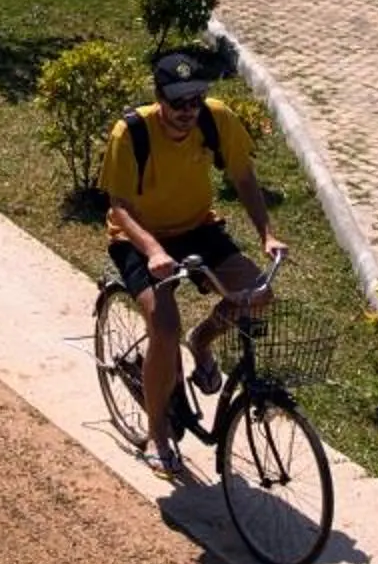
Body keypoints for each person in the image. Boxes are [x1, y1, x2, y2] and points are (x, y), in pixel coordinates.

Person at [101, 52, 288, 481]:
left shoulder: (215, 119)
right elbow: (121, 207)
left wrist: (266, 234)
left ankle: (201, 342)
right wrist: (152, 251)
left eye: (196, 99)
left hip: (196, 227)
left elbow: (242, 175)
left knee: (258, 296)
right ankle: (158, 437)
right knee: (162, 328)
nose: (189, 111)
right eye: (179, 101)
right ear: (159, 98)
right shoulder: (130, 133)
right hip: (139, 237)